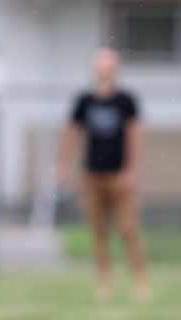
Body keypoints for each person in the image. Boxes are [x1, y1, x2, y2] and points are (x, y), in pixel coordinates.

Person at [56, 47, 149, 301]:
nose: (104, 70)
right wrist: (62, 166)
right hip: (91, 176)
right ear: (94, 69)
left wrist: (130, 170)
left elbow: (134, 135)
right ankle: (104, 285)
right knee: (97, 231)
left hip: (120, 176)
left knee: (128, 230)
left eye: (109, 65)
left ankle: (140, 284)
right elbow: (70, 133)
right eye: (100, 65)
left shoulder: (125, 100)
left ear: (115, 69)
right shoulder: (84, 100)